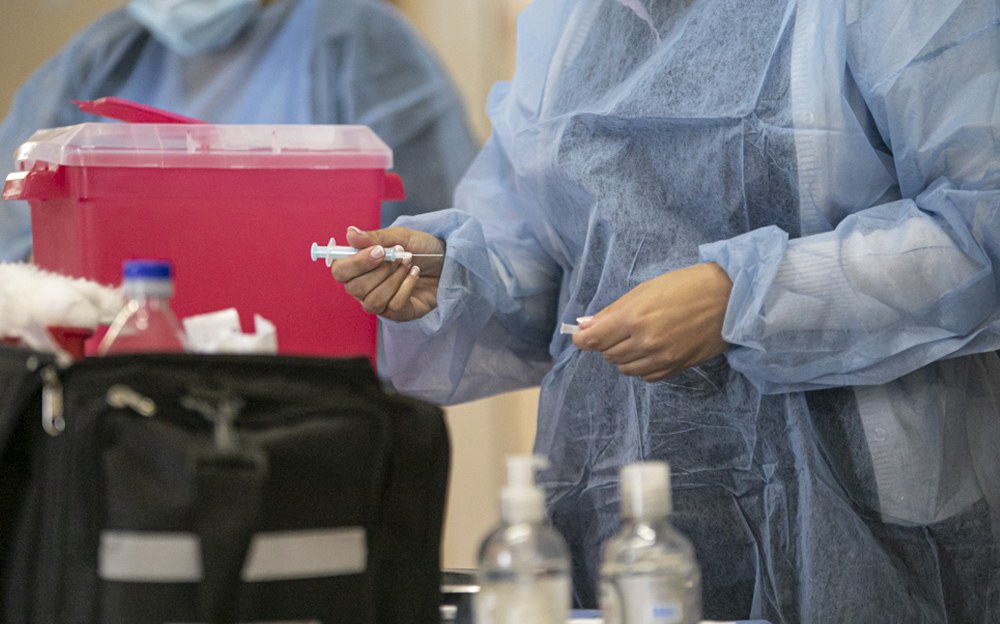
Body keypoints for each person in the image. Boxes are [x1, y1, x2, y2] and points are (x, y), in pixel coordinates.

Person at [329, 0, 1000, 622]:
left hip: (862, 515)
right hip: (612, 509)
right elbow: (550, 261)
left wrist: (746, 295)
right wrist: (459, 276)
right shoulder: (567, 24)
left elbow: (979, 224)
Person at [0, 0, 478, 262]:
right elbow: (18, 237)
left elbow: (432, 257)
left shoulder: (356, 38)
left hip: (316, 391)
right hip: (121, 382)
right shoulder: (105, 55)